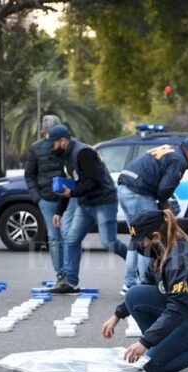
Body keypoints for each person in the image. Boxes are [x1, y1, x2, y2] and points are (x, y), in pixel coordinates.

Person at [101, 209, 188, 372]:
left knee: (152, 365)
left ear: (155, 237)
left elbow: (178, 309)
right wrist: (117, 315)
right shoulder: (164, 249)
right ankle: (162, 346)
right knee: (133, 295)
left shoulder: (180, 259)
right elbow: (147, 285)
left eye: (141, 243)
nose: (140, 248)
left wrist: (145, 343)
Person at [117, 137, 188, 294]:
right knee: (148, 239)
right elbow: (164, 189)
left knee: (136, 237)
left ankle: (129, 283)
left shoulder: (170, 149)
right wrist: (166, 204)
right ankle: (144, 284)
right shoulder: (180, 160)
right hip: (139, 193)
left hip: (125, 189)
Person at [49, 124, 127, 294]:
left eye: (53, 143)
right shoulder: (65, 157)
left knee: (109, 243)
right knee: (72, 239)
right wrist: (59, 212)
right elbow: (66, 185)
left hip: (103, 202)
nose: (51, 148)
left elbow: (93, 181)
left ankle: (135, 263)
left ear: (63, 141)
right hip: (85, 204)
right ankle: (71, 283)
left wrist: (72, 193)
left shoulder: (84, 152)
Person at [24, 114, 77, 289]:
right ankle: (61, 275)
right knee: (54, 238)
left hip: (68, 197)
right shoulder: (35, 148)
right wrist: (37, 198)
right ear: (43, 132)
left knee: (67, 236)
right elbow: (30, 175)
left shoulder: (67, 147)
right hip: (46, 199)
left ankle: (70, 276)